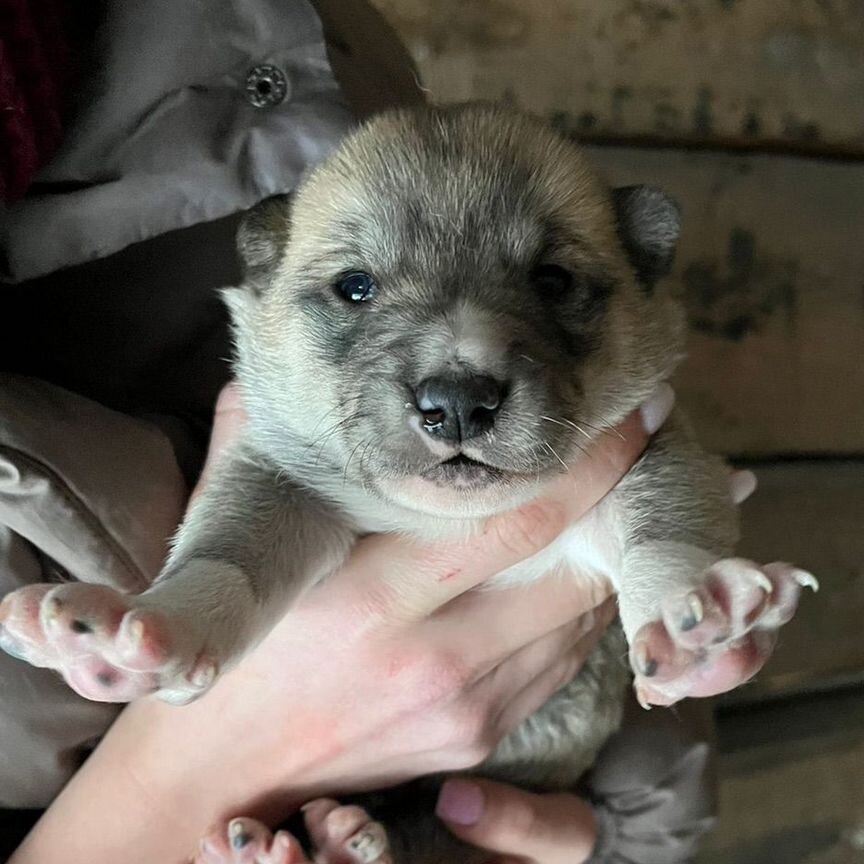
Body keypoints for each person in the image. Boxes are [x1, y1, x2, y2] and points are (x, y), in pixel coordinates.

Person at [1, 1, 718, 861]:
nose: (458, 381)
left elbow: (660, 526)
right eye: (354, 291)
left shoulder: (271, 43)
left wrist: (633, 823)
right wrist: (186, 750)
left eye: (555, 283)